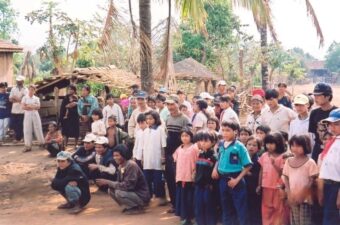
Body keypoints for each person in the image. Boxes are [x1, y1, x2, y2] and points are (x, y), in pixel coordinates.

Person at [212, 121, 252, 225]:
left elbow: (248, 166)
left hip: (236, 179)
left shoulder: (239, 146)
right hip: (223, 179)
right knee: (226, 206)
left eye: (228, 130)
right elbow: (219, 158)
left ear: (235, 132)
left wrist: (236, 180)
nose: (225, 133)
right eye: (223, 130)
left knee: (240, 207)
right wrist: (215, 169)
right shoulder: (221, 144)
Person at [96, 144, 151, 215]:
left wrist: (108, 182)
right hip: (133, 193)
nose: (115, 158)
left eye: (117, 155)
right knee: (111, 190)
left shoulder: (131, 165)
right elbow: (119, 183)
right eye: (114, 156)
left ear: (124, 155)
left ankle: (137, 207)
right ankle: (130, 206)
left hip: (141, 196)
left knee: (119, 192)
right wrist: (109, 183)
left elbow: (128, 186)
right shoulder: (120, 166)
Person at [282, 135, 318, 225]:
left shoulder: (310, 162)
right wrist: (289, 194)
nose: (295, 148)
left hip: (305, 199)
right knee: (295, 221)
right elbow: (286, 178)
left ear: (305, 146)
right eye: (292, 145)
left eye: (298, 146)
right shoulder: (288, 161)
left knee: (305, 222)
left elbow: (312, 180)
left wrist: (302, 194)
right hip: (293, 198)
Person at [165, 94, 191, 213]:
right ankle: (174, 204)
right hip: (169, 153)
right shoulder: (167, 118)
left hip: (181, 153)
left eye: (172, 104)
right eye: (168, 104)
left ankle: (182, 206)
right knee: (170, 178)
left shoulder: (185, 119)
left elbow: (189, 136)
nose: (170, 106)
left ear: (177, 104)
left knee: (180, 179)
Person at [257, 132, 287, 225]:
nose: (269, 146)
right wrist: (259, 185)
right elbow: (261, 170)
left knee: (279, 211)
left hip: (278, 188)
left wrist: (274, 164)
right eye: (267, 143)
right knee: (266, 210)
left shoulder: (283, 157)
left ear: (278, 143)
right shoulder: (264, 155)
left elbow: (283, 173)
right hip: (266, 187)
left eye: (272, 143)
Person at [318, 108, 340, 225]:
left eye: (336, 124)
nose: (332, 127)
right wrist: (321, 190)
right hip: (328, 186)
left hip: (337, 187)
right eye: (330, 124)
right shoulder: (333, 140)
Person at [173, 128, 198, 225]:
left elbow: (198, 162)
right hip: (181, 178)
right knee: (183, 198)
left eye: (187, 136)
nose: (184, 138)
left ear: (191, 136)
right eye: (182, 136)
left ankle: (193, 218)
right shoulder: (179, 149)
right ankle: (185, 218)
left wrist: (195, 173)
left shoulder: (195, 148)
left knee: (191, 198)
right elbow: (175, 160)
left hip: (191, 178)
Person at [143, 111, 167, 206]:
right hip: (147, 159)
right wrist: (142, 157)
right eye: (147, 119)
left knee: (158, 180)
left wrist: (163, 156)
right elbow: (144, 146)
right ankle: (148, 197)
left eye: (151, 119)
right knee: (147, 178)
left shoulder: (160, 130)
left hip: (157, 158)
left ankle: (161, 197)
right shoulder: (145, 131)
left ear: (156, 119)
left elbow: (163, 144)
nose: (148, 121)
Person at [308, 83, 337, 162]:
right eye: (315, 96)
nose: (315, 98)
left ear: (327, 96)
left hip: (335, 149)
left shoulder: (337, 113)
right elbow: (313, 133)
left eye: (318, 96)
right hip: (318, 149)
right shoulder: (314, 113)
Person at [194, 131, 218, 225]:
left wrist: (212, 184)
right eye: (201, 140)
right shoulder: (200, 154)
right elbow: (198, 169)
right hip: (199, 185)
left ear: (213, 142)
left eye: (206, 141)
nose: (203, 143)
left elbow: (214, 174)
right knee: (199, 206)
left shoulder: (214, 157)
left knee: (209, 207)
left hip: (209, 186)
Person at [21, 85, 45, 152]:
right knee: (27, 129)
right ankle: (28, 146)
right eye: (30, 89)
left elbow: (38, 107)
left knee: (38, 128)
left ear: (35, 90)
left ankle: (42, 143)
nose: (31, 91)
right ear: (28, 90)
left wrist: (28, 106)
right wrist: (32, 106)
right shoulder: (25, 98)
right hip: (27, 114)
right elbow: (23, 107)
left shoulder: (36, 98)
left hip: (35, 114)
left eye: (32, 90)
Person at [245, 136, 262, 225]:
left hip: (254, 188)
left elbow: (259, 174)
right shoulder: (242, 157)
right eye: (249, 144)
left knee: (254, 209)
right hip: (243, 187)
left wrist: (246, 172)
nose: (251, 147)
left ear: (259, 148)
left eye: (254, 145)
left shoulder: (259, 160)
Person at [59, 84, 79, 148]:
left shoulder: (77, 97)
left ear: (74, 90)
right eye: (69, 89)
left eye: (72, 89)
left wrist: (75, 104)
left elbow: (80, 106)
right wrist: (61, 117)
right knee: (66, 131)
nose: (70, 90)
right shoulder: (65, 98)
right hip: (67, 117)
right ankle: (65, 145)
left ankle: (76, 144)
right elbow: (62, 107)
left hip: (75, 116)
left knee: (76, 131)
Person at [9, 75, 27, 143]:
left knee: (21, 124)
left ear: (22, 81)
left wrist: (16, 98)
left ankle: (21, 137)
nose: (18, 82)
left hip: (22, 110)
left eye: (19, 81)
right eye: (17, 81)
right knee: (14, 124)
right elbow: (10, 99)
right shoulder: (13, 89)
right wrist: (19, 99)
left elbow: (25, 99)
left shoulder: (26, 89)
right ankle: (17, 138)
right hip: (14, 110)